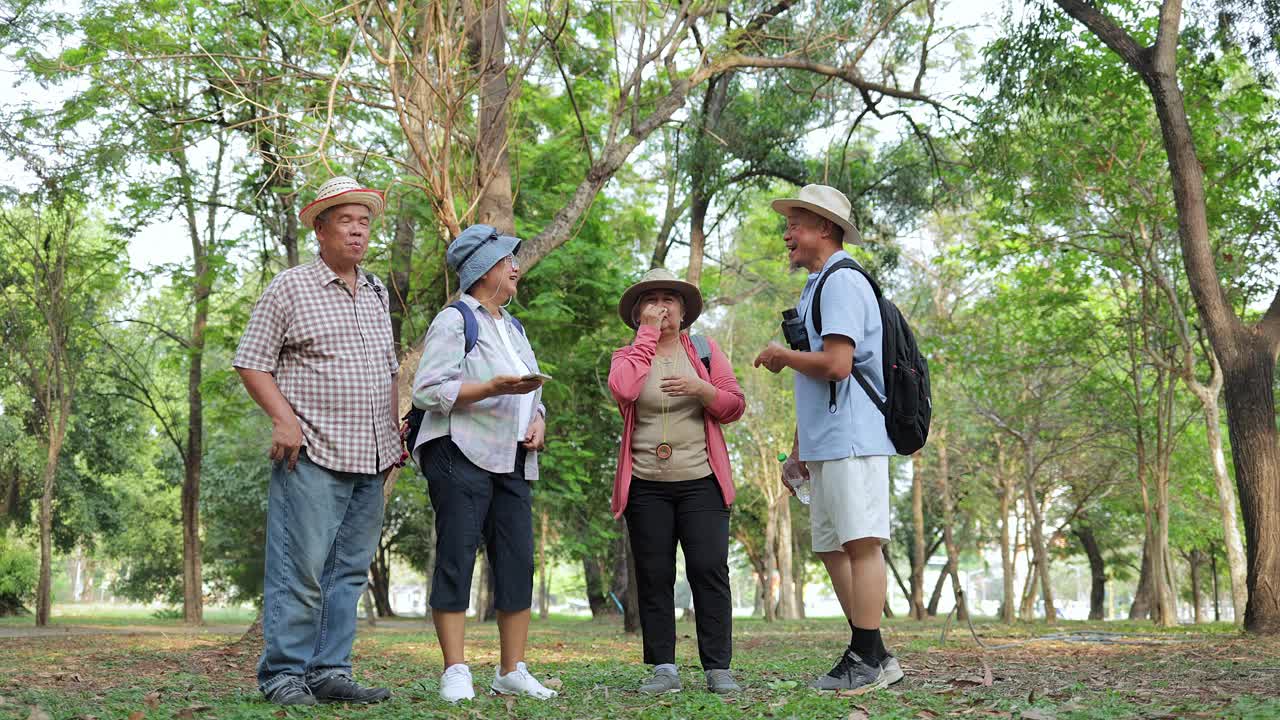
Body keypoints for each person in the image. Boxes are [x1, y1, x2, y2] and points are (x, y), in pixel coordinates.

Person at [234, 176, 398, 706]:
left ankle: (329, 671)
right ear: (320, 230)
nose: (358, 231)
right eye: (346, 220)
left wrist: (393, 432)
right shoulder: (291, 287)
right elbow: (252, 360)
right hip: (313, 455)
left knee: (347, 574)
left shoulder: (375, 292)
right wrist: (283, 419)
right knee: (299, 571)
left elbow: (389, 370)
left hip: (371, 456)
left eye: (365, 221)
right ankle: (283, 674)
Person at [752, 184, 905, 694]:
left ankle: (864, 655)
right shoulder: (815, 286)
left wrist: (782, 356)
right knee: (833, 546)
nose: (788, 234)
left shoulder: (842, 282)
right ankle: (875, 653)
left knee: (860, 543)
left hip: (855, 437)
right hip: (827, 440)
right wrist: (799, 448)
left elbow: (838, 365)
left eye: (795, 223)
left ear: (824, 228)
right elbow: (820, 377)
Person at [411, 223, 557, 703]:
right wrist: (492, 388)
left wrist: (538, 419)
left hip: (513, 457)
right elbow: (428, 390)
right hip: (460, 452)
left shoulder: (513, 327)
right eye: (507, 260)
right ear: (482, 269)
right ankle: (455, 669)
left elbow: (532, 391)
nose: (516, 267)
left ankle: (511, 669)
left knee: (517, 563)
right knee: (456, 557)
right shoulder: (455, 320)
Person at [608, 267, 746, 695]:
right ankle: (664, 668)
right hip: (646, 483)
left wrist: (700, 389)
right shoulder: (626, 356)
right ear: (637, 312)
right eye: (652, 299)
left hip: (701, 480)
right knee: (653, 573)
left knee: (708, 569)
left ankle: (718, 667)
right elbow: (624, 390)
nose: (662, 305)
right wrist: (646, 337)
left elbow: (734, 404)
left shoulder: (704, 351)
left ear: (684, 310)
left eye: (671, 298)